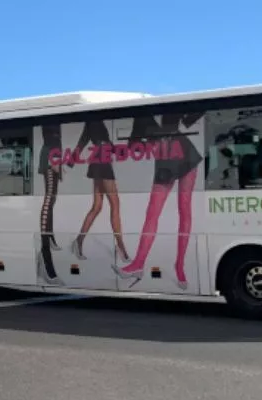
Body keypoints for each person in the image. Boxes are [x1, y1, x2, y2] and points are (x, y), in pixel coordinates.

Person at [114, 112, 203, 288]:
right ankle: (138, 264)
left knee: (184, 211)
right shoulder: (140, 113)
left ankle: (179, 265)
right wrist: (151, 144)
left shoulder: (170, 104)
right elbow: (133, 146)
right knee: (152, 213)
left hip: (185, 152)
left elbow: (190, 119)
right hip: (165, 161)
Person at [70, 119, 129, 262]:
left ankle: (78, 241)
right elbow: (84, 140)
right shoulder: (93, 120)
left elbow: (104, 141)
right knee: (115, 204)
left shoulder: (95, 121)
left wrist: (119, 150)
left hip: (100, 160)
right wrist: (69, 163)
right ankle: (120, 247)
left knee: (97, 206)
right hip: (102, 161)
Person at [37, 123, 63, 284]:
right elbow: (50, 135)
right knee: (49, 199)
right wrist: (54, 158)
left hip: (54, 154)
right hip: (50, 155)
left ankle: (50, 238)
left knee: (51, 198)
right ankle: (45, 254)